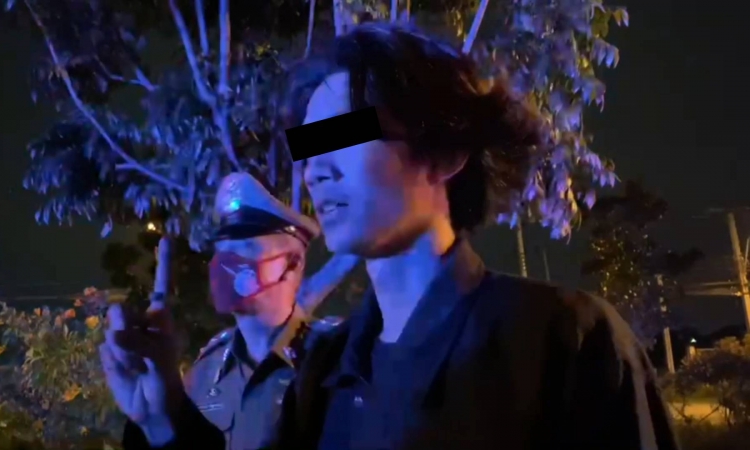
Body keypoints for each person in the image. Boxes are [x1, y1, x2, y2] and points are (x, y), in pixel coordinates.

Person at [104, 22, 679, 450]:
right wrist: (166, 419)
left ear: (446, 150)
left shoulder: (565, 341)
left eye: (345, 135)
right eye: (309, 147)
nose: (316, 170)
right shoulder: (323, 373)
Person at [103, 172, 347, 450]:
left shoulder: (337, 362)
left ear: (292, 264)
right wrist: (158, 426)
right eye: (222, 250)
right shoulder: (206, 371)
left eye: (246, 248)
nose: (225, 263)